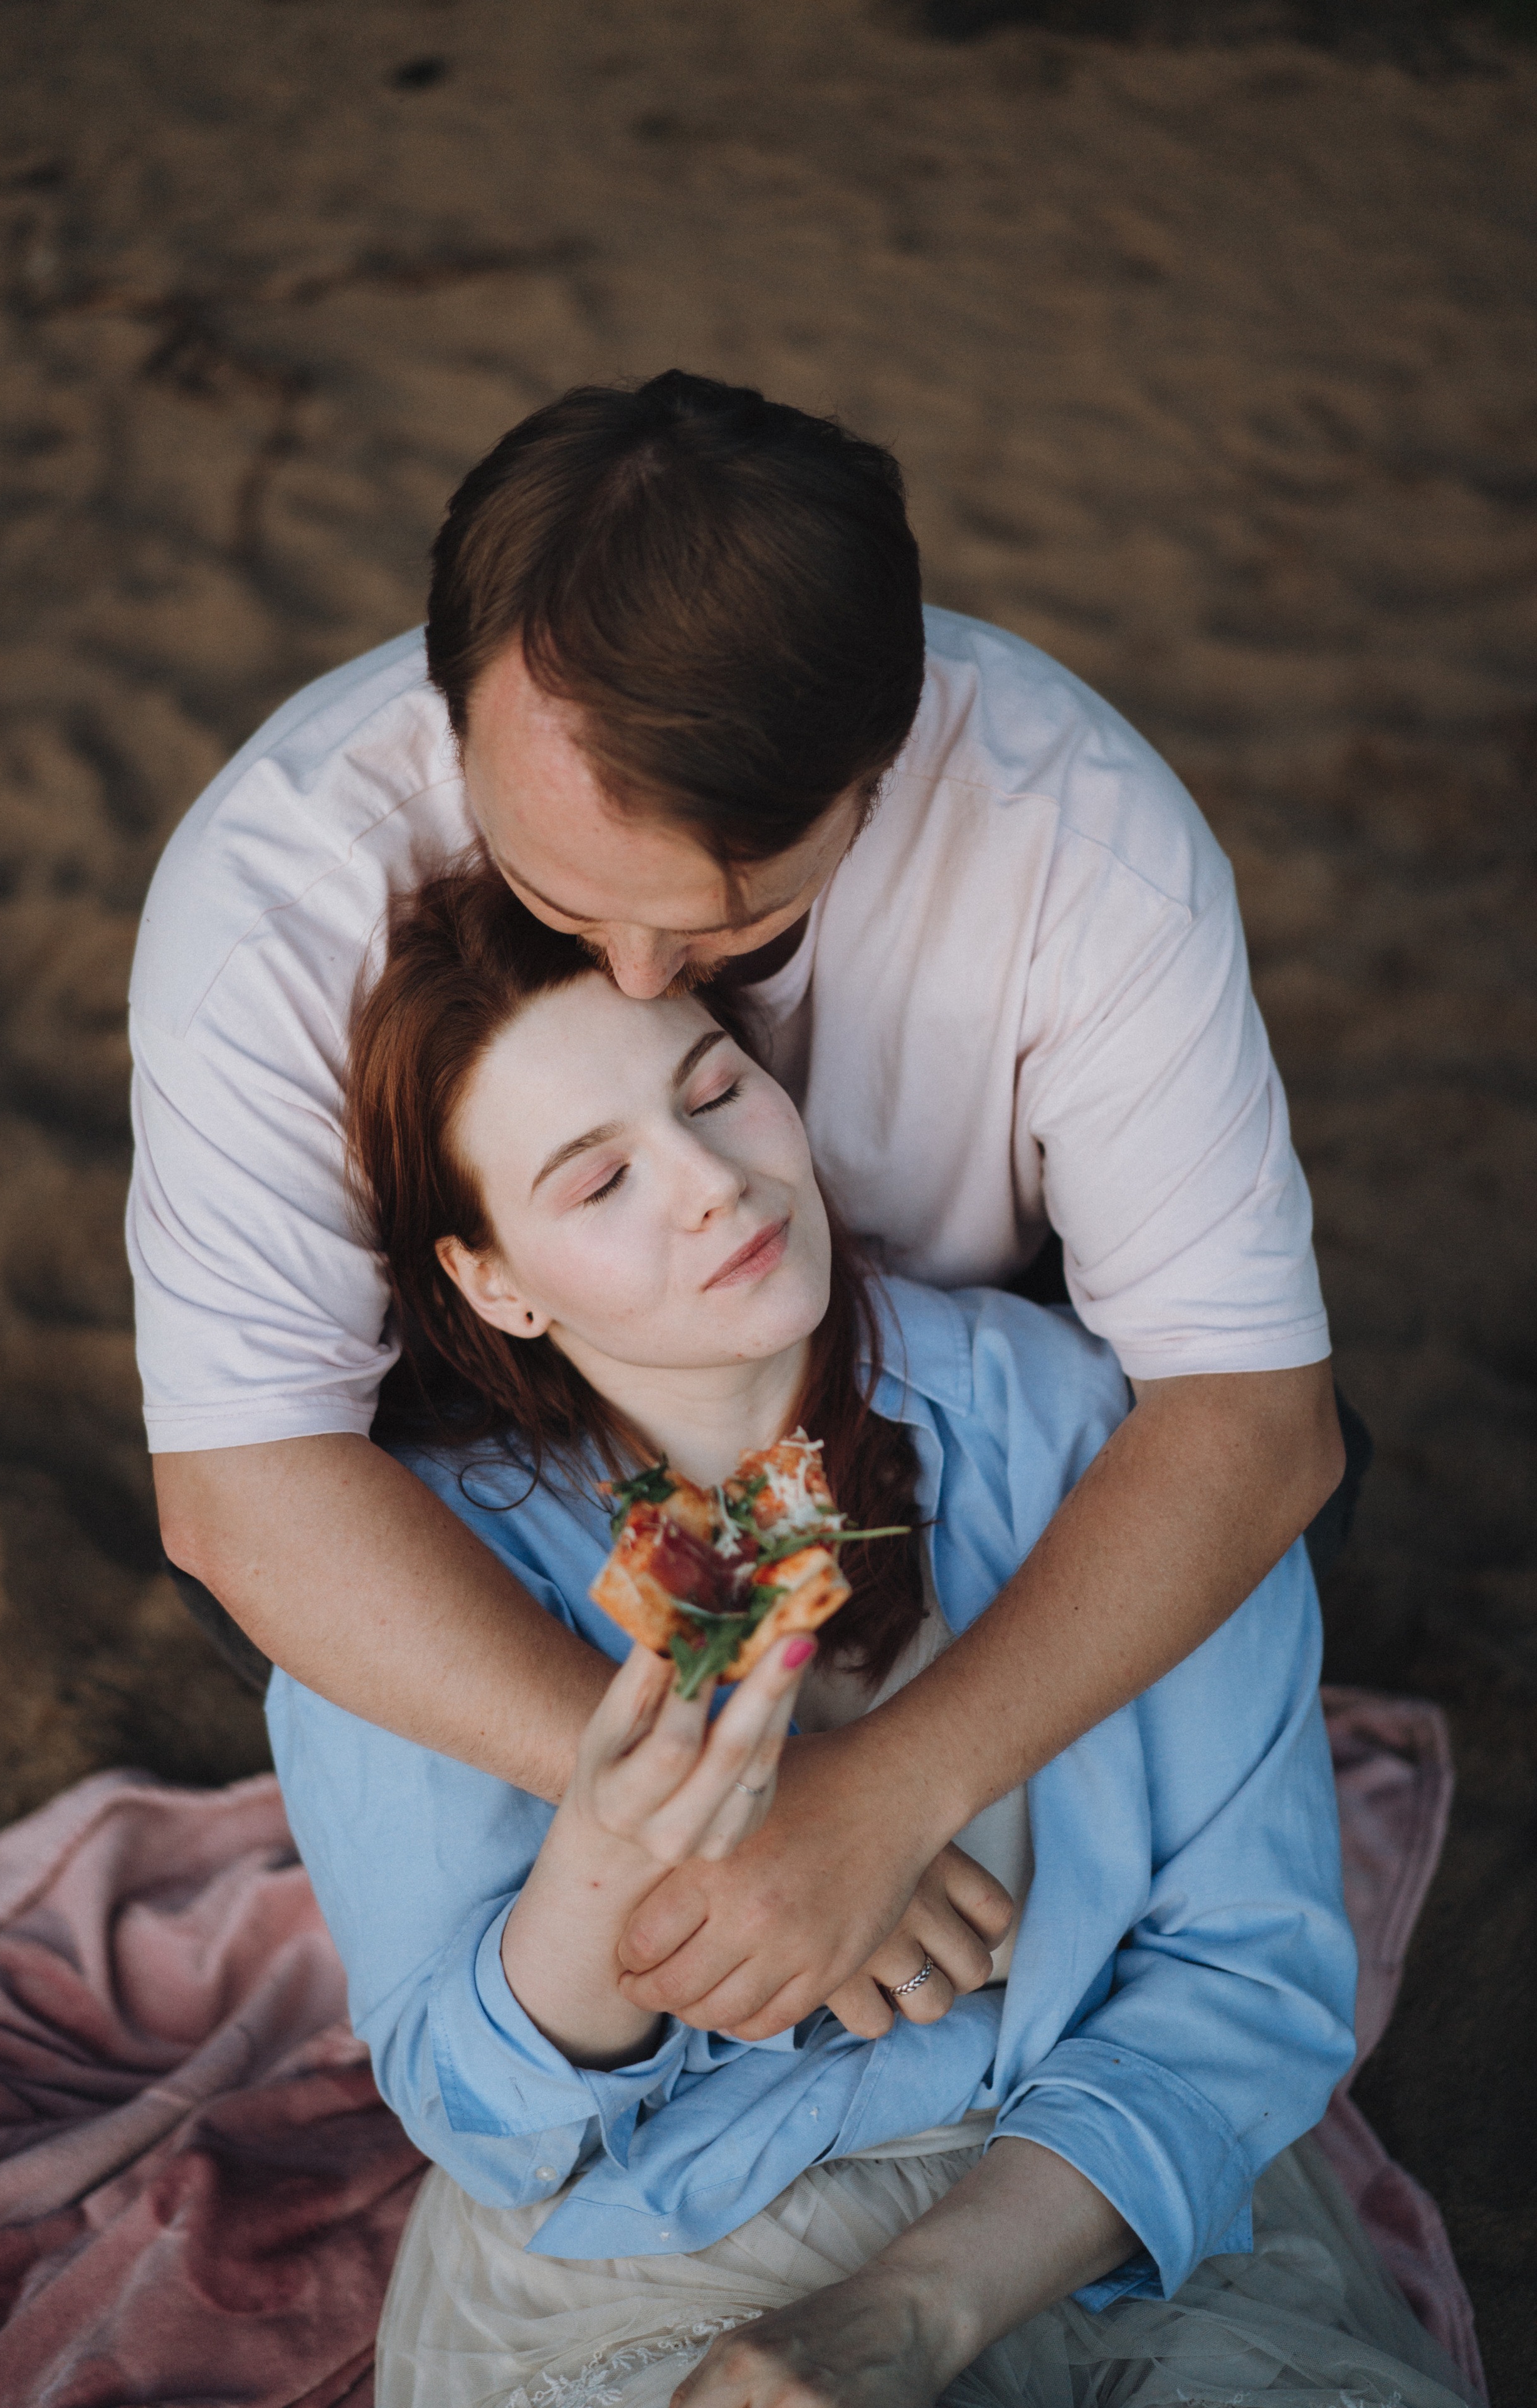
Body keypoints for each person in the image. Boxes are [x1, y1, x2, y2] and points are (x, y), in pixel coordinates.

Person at [134, 369, 1349, 2042]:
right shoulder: (272, 891)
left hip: (959, 1416)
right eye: (560, 897)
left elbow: (1255, 1417)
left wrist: (900, 1789)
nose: (637, 975)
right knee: (298, 1601)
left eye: (734, 927)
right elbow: (240, 1488)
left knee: (1280, 1553)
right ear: (452, 694)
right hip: (537, 1431)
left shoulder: (1086, 835)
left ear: (880, 757)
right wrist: (724, 1802)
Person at [265, 865, 1468, 2408]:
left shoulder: (1087, 1433)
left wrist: (911, 2311)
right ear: (489, 1280)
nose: (708, 1184)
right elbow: (487, 2115)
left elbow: (1246, 1982)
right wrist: (615, 1849)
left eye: (714, 1092)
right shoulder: (406, 1578)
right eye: (596, 1180)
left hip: (1082, 2215)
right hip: (647, 2258)